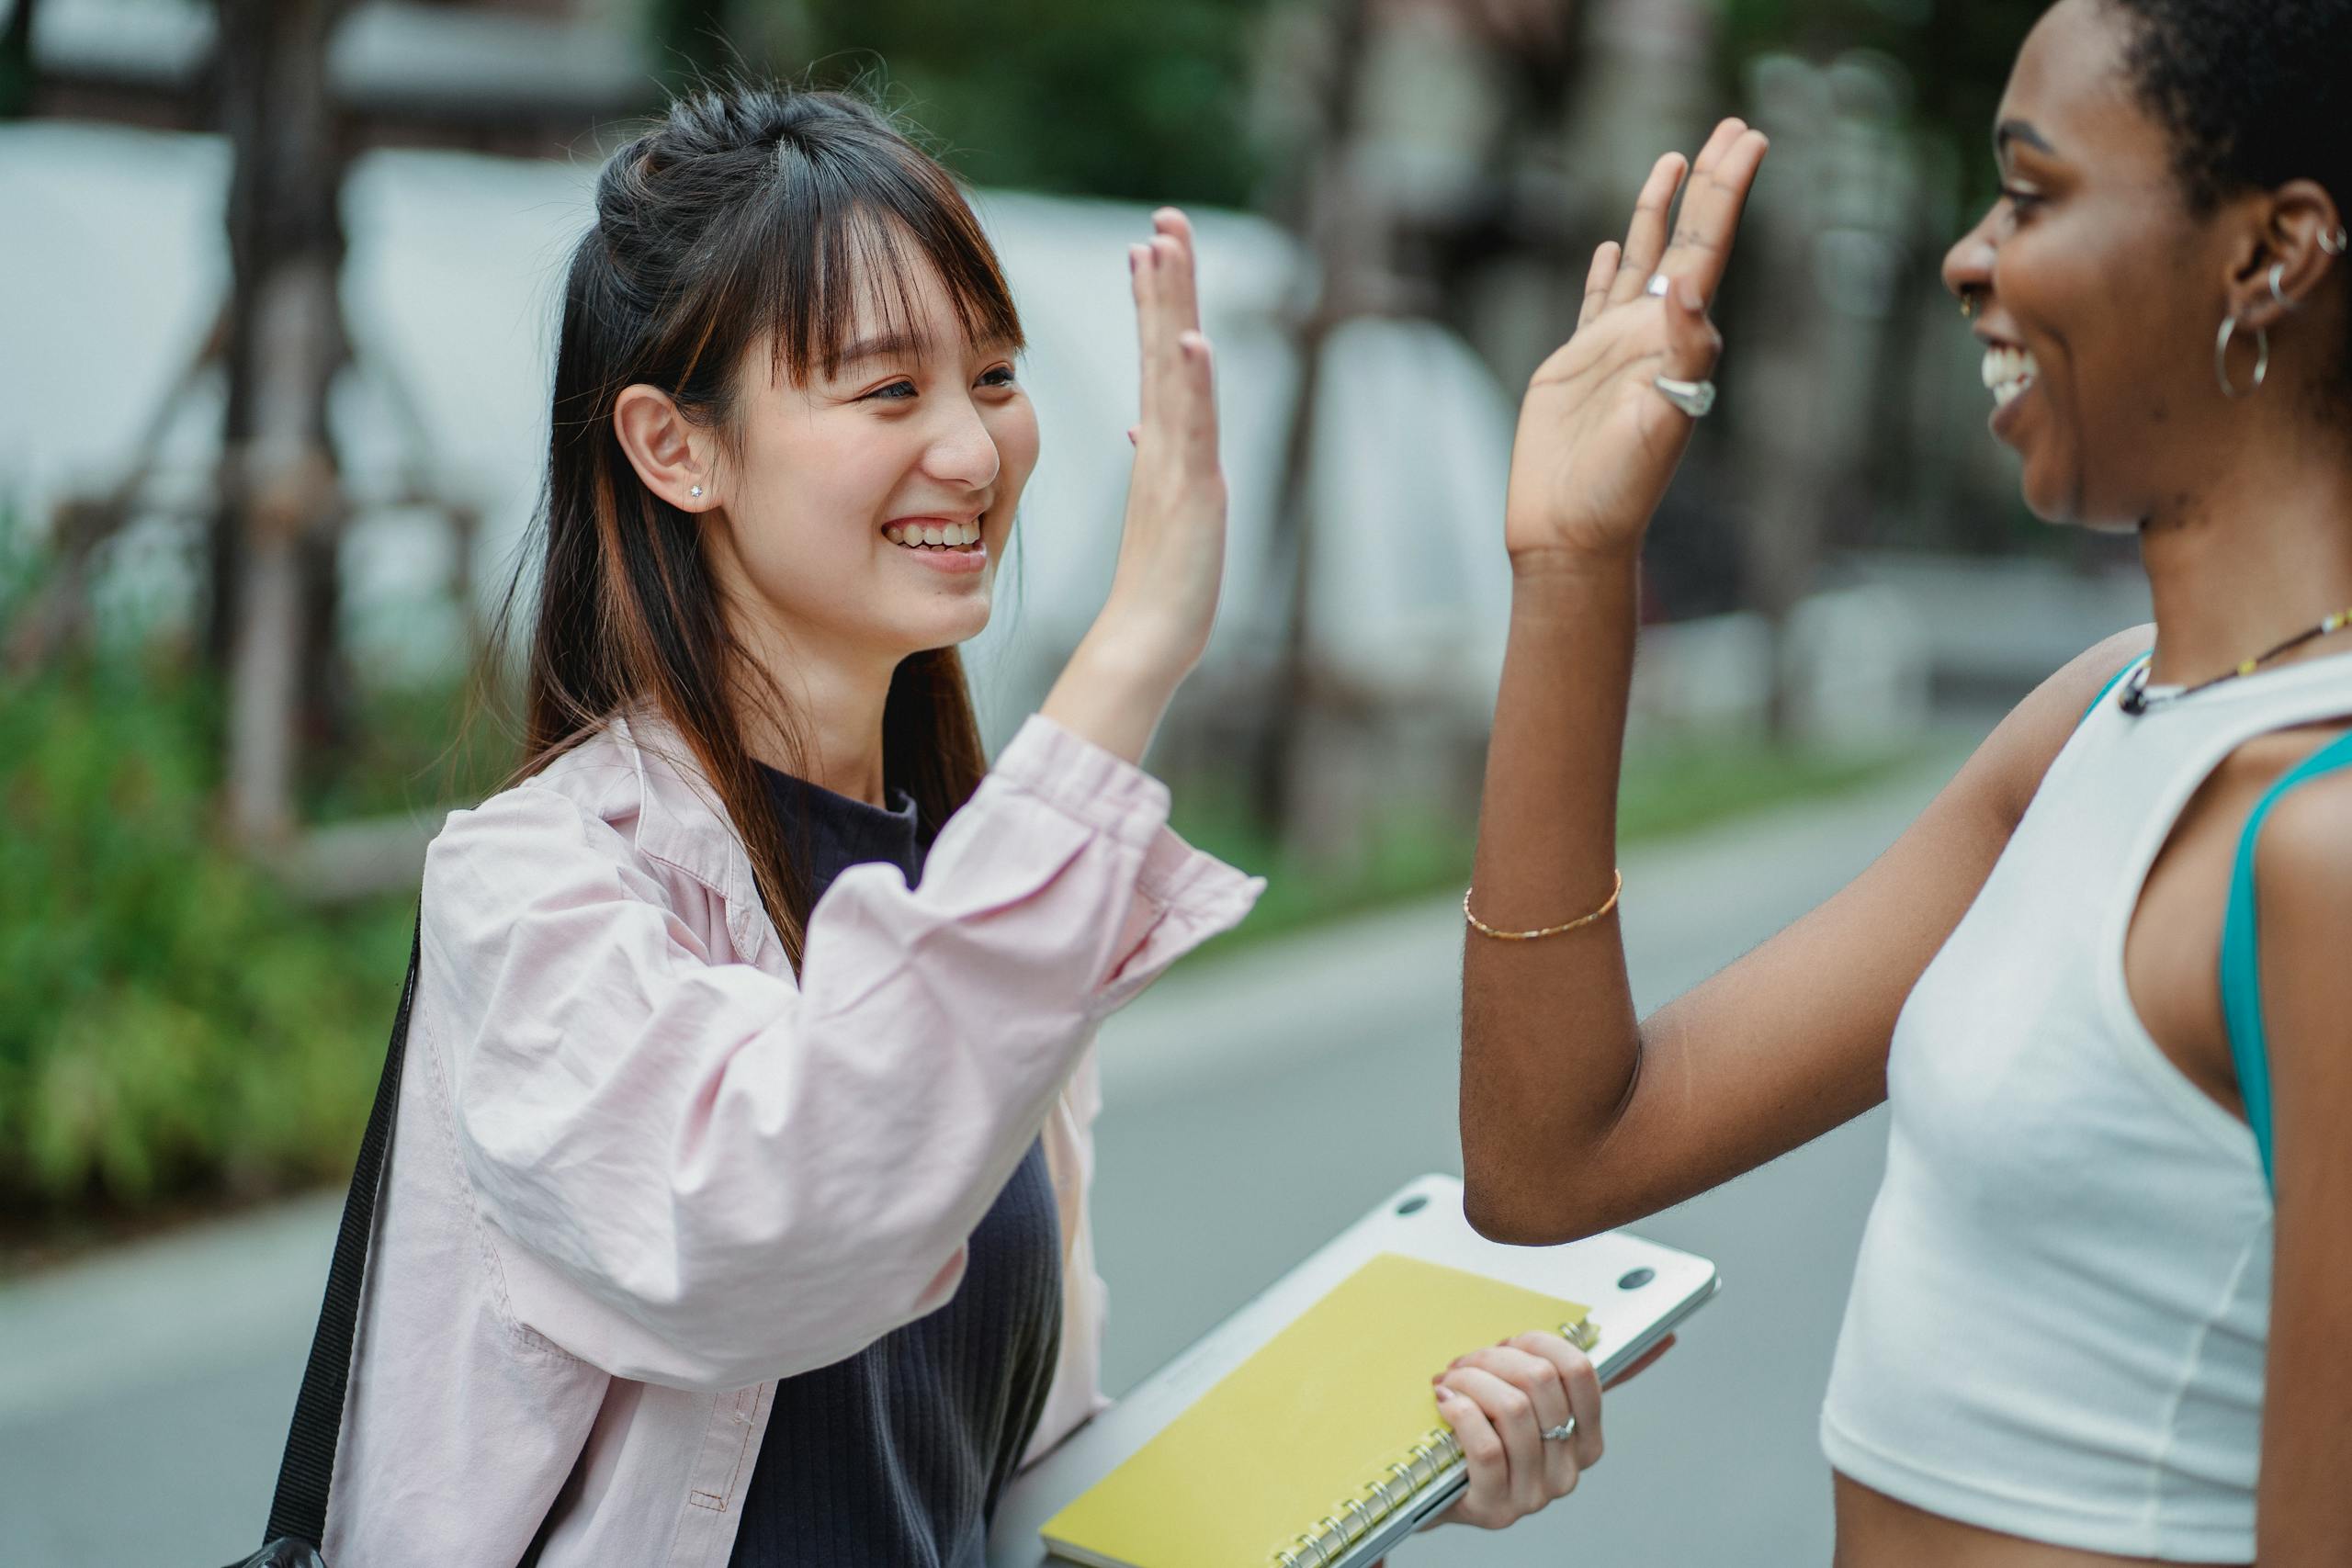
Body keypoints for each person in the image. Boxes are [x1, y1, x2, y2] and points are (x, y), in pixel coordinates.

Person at [322, 84, 1607, 1566]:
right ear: (677, 450)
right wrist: (1130, 658)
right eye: (887, 392)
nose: (976, 452)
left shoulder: (967, 890)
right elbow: (773, 1223)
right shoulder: (537, 889)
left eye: (993, 376)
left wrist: (1380, 1460)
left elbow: (999, 1509)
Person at [1458, 1, 2352, 1563]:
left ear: (2268, 258)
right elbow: (1556, 1159)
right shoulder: (2093, 724)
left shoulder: (2321, 841)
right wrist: (1573, 570)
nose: (1966, 255)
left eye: (2033, 191)